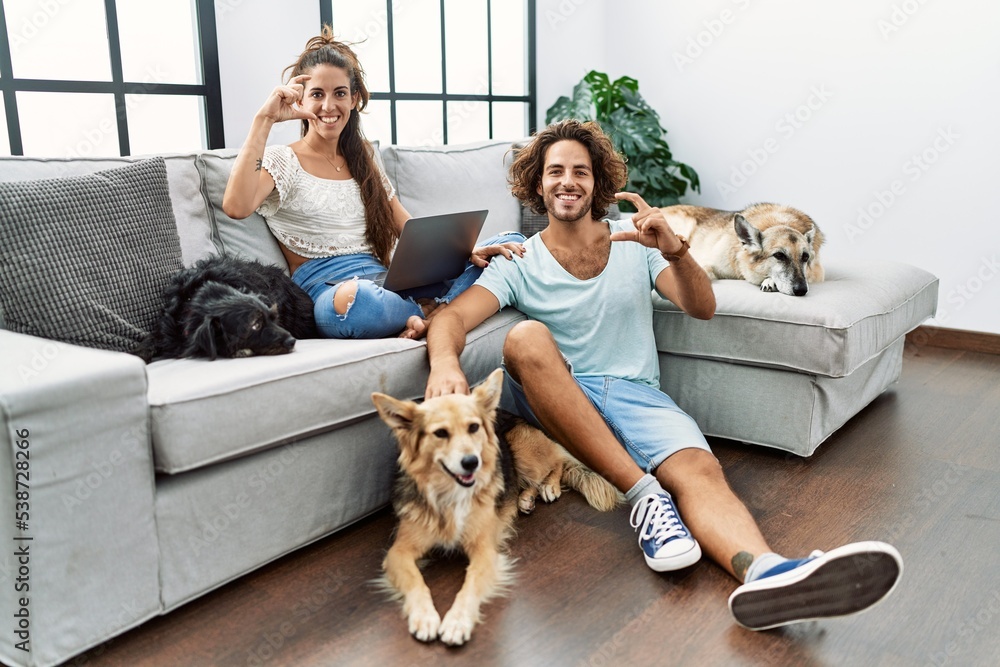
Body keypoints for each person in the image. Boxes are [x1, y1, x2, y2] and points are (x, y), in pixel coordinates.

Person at [423, 119, 903, 630]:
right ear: (537, 185)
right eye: (555, 171)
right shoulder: (519, 258)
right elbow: (451, 318)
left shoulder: (636, 244)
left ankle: (767, 574)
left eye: (580, 172)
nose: (568, 181)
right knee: (524, 339)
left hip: (636, 395)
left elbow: (702, 306)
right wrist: (446, 361)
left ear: (597, 184)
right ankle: (645, 497)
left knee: (700, 472)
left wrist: (674, 250)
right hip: (560, 389)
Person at [222, 27, 524, 339]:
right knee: (358, 301)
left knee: (511, 244)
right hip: (336, 293)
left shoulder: (363, 158)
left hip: (391, 280)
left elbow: (406, 228)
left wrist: (463, 250)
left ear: (354, 99)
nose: (328, 106)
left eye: (339, 93)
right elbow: (236, 206)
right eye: (316, 94)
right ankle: (433, 311)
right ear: (300, 99)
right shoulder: (283, 161)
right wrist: (265, 119)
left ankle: (438, 309)